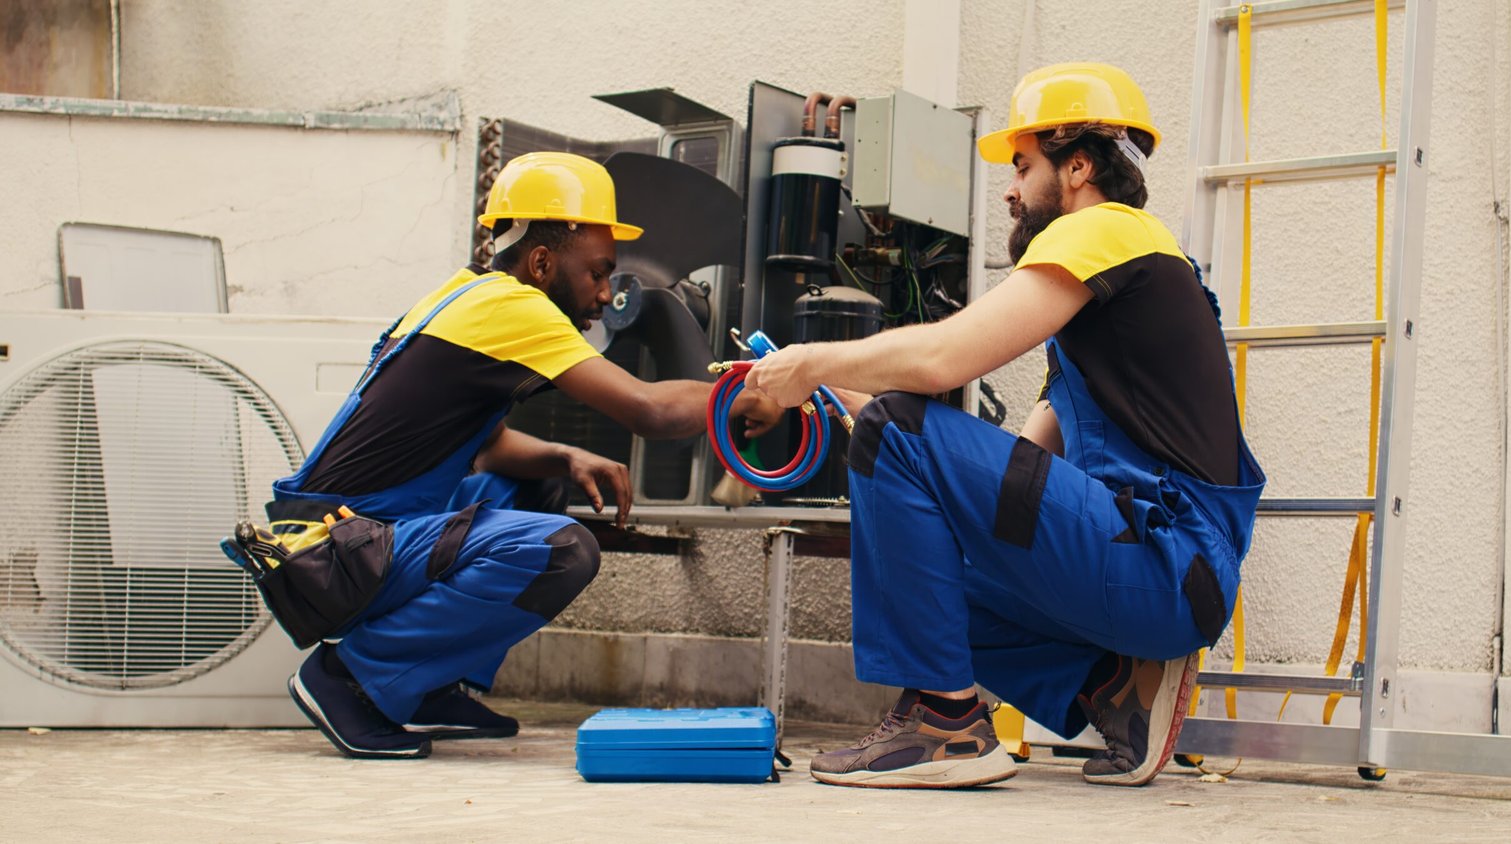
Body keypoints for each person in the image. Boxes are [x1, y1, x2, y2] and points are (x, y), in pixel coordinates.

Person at [745, 62, 1265, 789]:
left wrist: (808, 363)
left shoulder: (1108, 230)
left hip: (1168, 560)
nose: (1011, 190)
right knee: (926, 566)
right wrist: (853, 409)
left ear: (1079, 165)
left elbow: (943, 358)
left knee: (900, 427)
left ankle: (944, 726)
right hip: (1157, 568)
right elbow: (1011, 481)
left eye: (1023, 165)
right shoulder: (1111, 309)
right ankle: (1113, 689)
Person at [252, 152, 778, 759]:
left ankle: (425, 685)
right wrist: (744, 392)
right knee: (562, 551)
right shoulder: (515, 308)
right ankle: (351, 679)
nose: (607, 294)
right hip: (340, 553)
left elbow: (479, 443)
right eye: (598, 273)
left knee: (538, 486)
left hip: (352, 533)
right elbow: (649, 411)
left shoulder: (467, 296)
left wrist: (565, 457)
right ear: (543, 262)